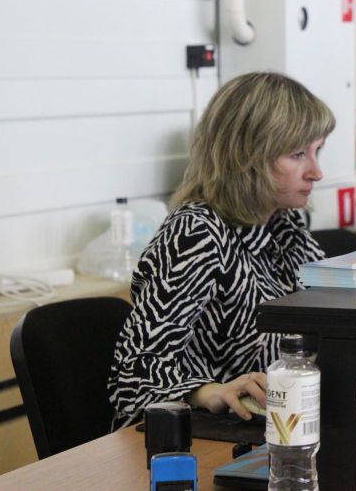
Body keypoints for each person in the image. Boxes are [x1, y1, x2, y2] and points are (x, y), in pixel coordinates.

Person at [107, 72, 334, 429]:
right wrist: (208, 392)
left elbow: (326, 325)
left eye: (317, 151)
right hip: (195, 436)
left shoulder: (285, 225)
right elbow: (133, 378)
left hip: (278, 425)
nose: (316, 172)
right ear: (247, 155)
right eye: (297, 154)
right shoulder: (195, 233)